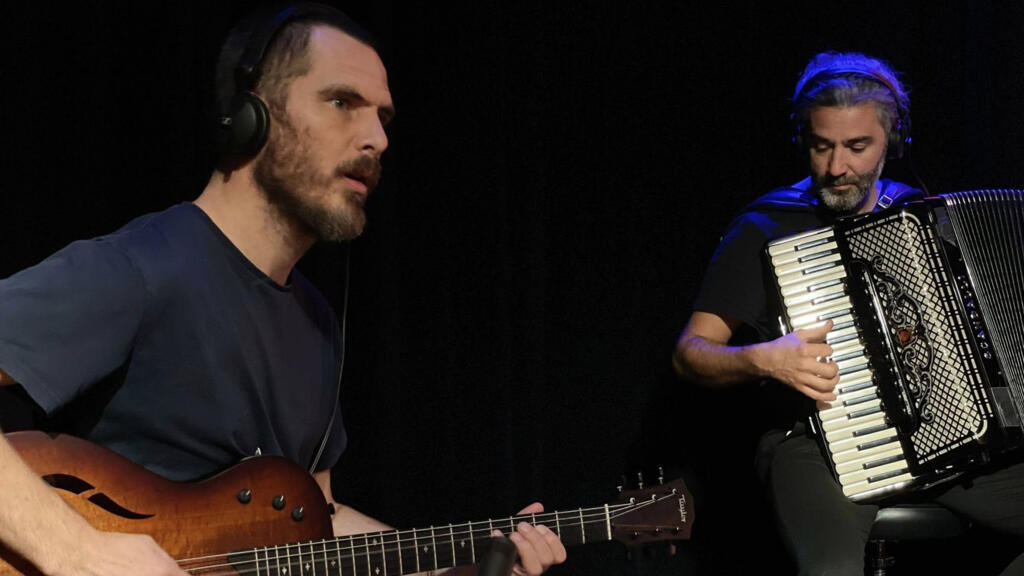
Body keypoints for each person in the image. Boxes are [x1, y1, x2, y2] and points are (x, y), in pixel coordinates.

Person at [0, 4, 566, 576]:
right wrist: (78, 552)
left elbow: (313, 523)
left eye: (383, 119)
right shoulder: (143, 267)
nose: (376, 140)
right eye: (343, 102)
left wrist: (457, 568)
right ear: (252, 115)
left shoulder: (316, 325)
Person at [672, 51, 1024, 575]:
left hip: (947, 438)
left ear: (894, 140)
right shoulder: (765, 226)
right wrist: (765, 360)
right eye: (822, 147)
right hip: (815, 446)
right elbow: (690, 354)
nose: (838, 167)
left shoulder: (918, 215)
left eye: (858, 147)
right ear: (802, 140)